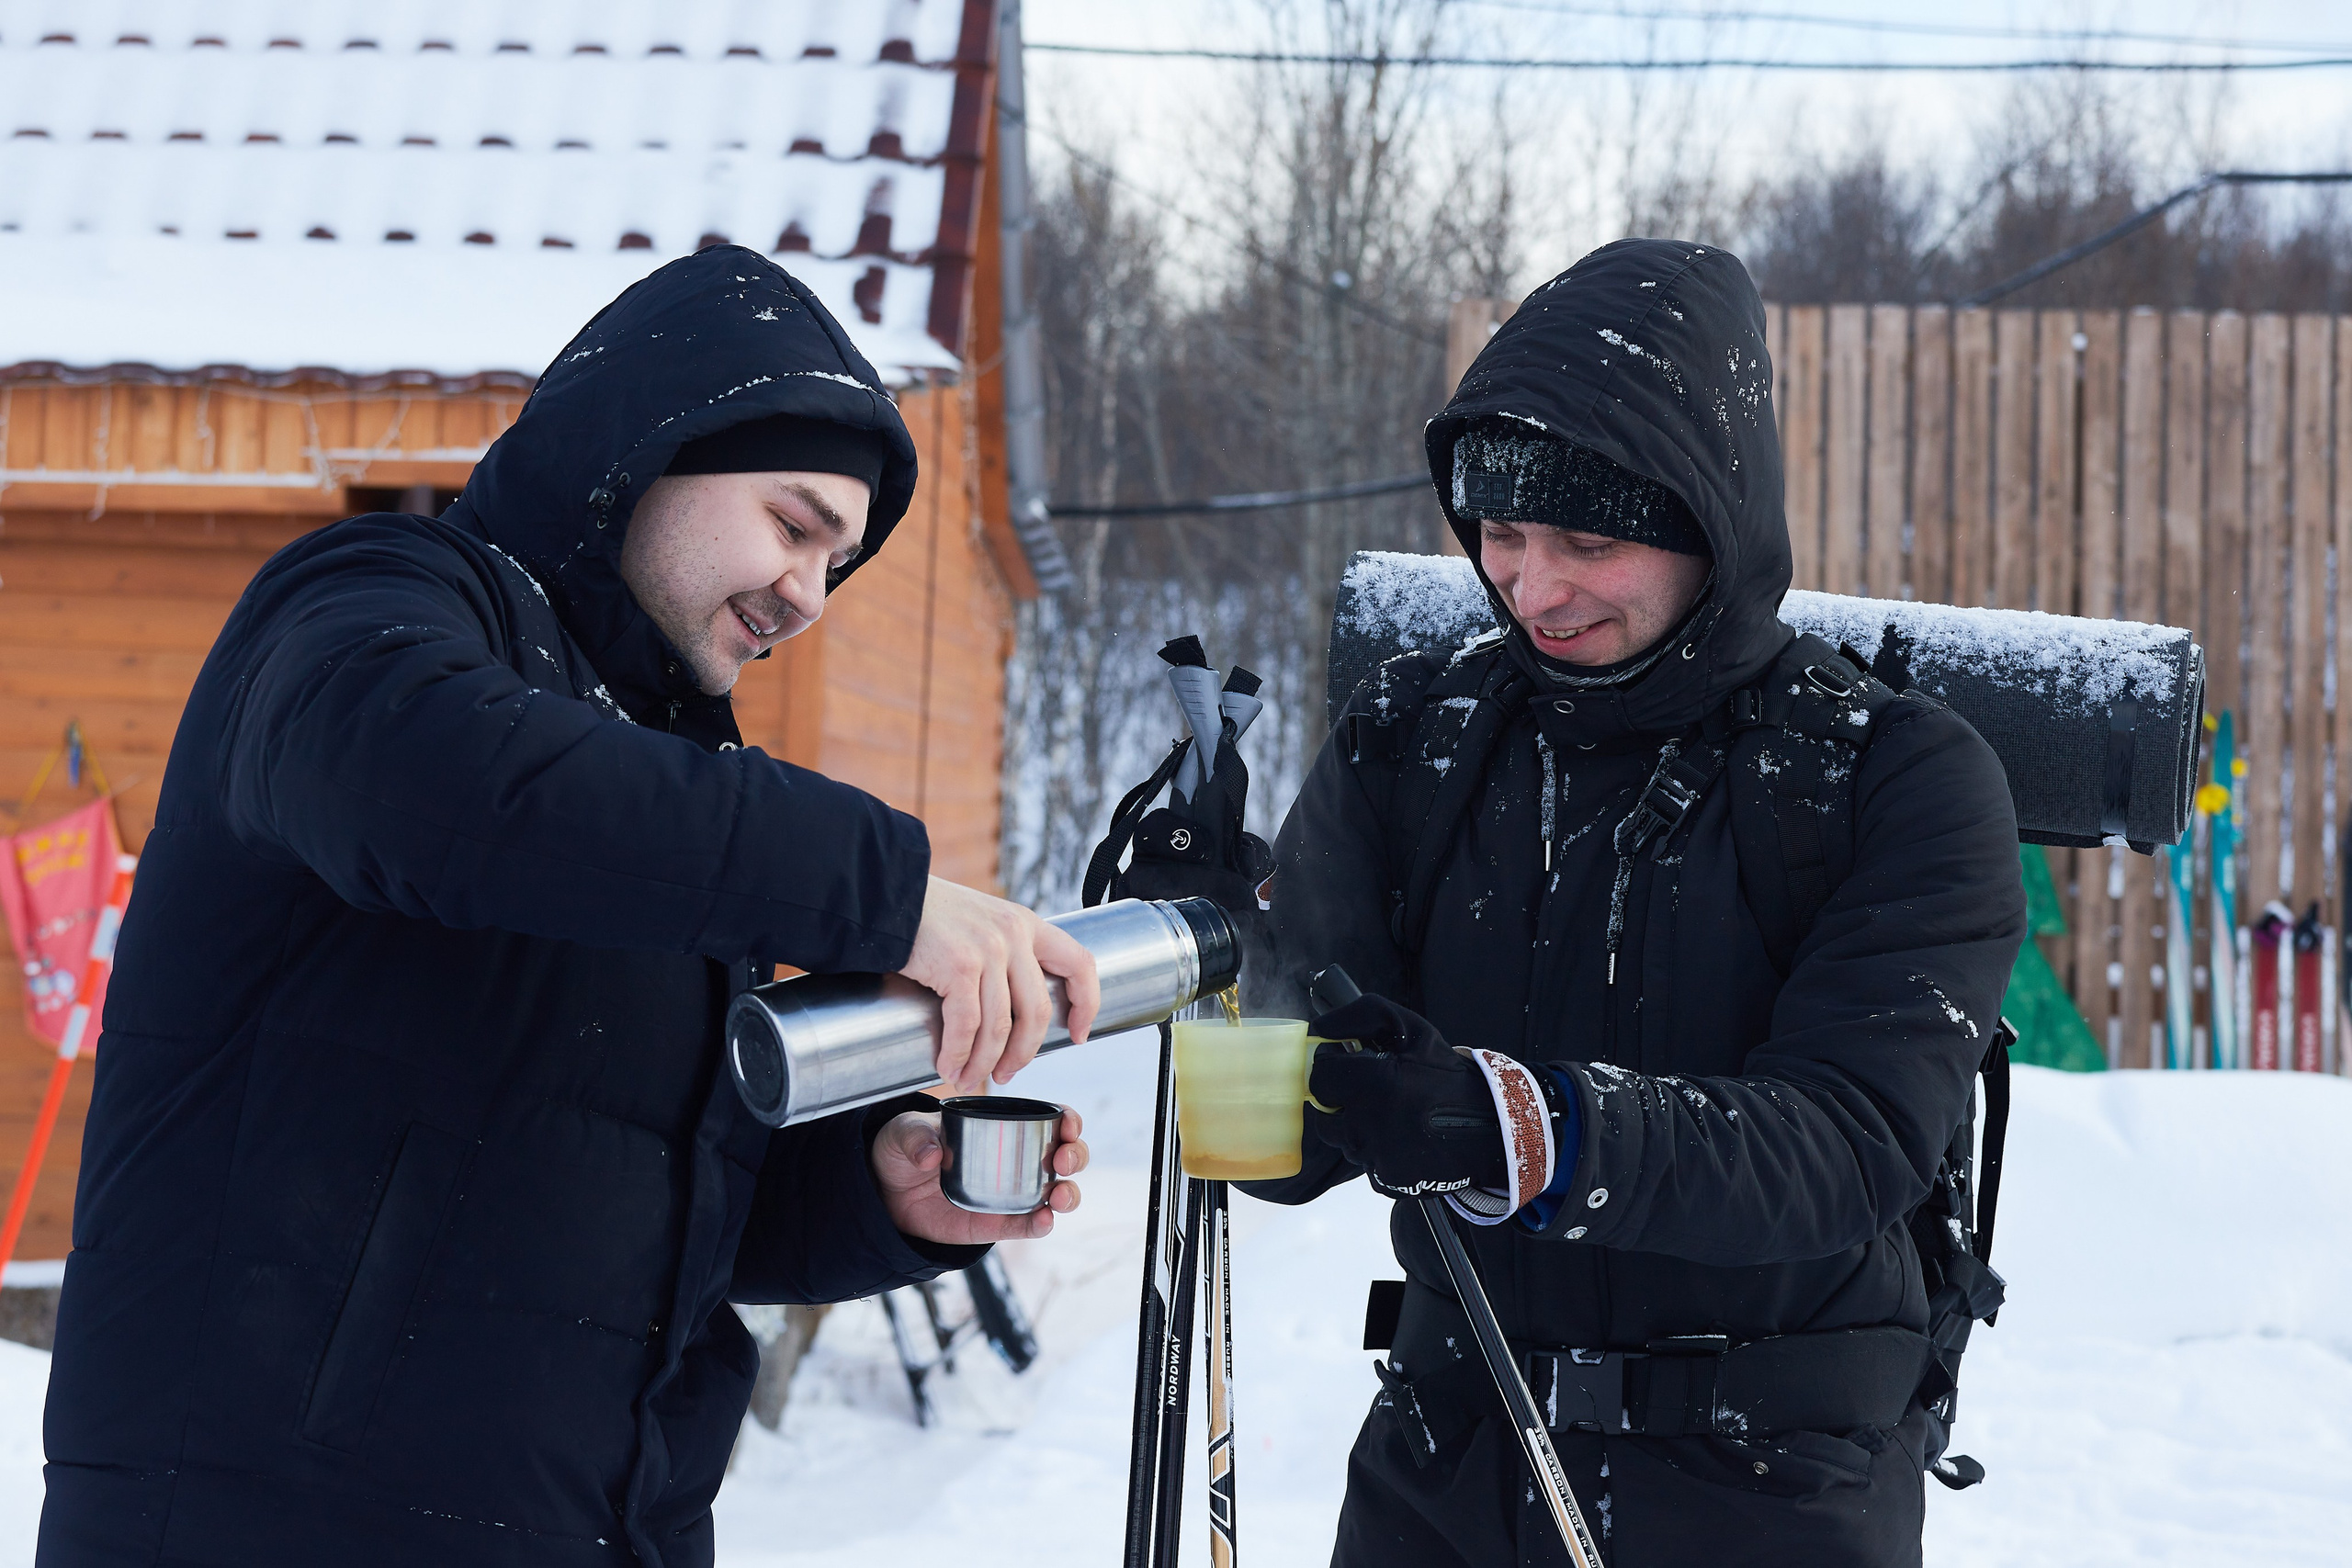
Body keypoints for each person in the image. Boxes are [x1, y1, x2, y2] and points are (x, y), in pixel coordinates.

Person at [38, 248, 1100, 1568]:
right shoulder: (367, 604)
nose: (808, 598)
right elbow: (430, 783)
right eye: (795, 524)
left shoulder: (668, 805)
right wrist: (883, 894)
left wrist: (875, 1198)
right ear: (659, 445)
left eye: (839, 563)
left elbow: (628, 1193)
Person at [1250, 239, 2025, 1566]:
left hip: (1766, 1484)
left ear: (1706, 523)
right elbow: (1268, 1140)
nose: (1532, 589)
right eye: (1499, 534)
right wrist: (1216, 950)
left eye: (1589, 540)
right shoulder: (1419, 738)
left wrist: (1519, 1130)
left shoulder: (1890, 774)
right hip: (1448, 1465)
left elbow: (1850, 1143)